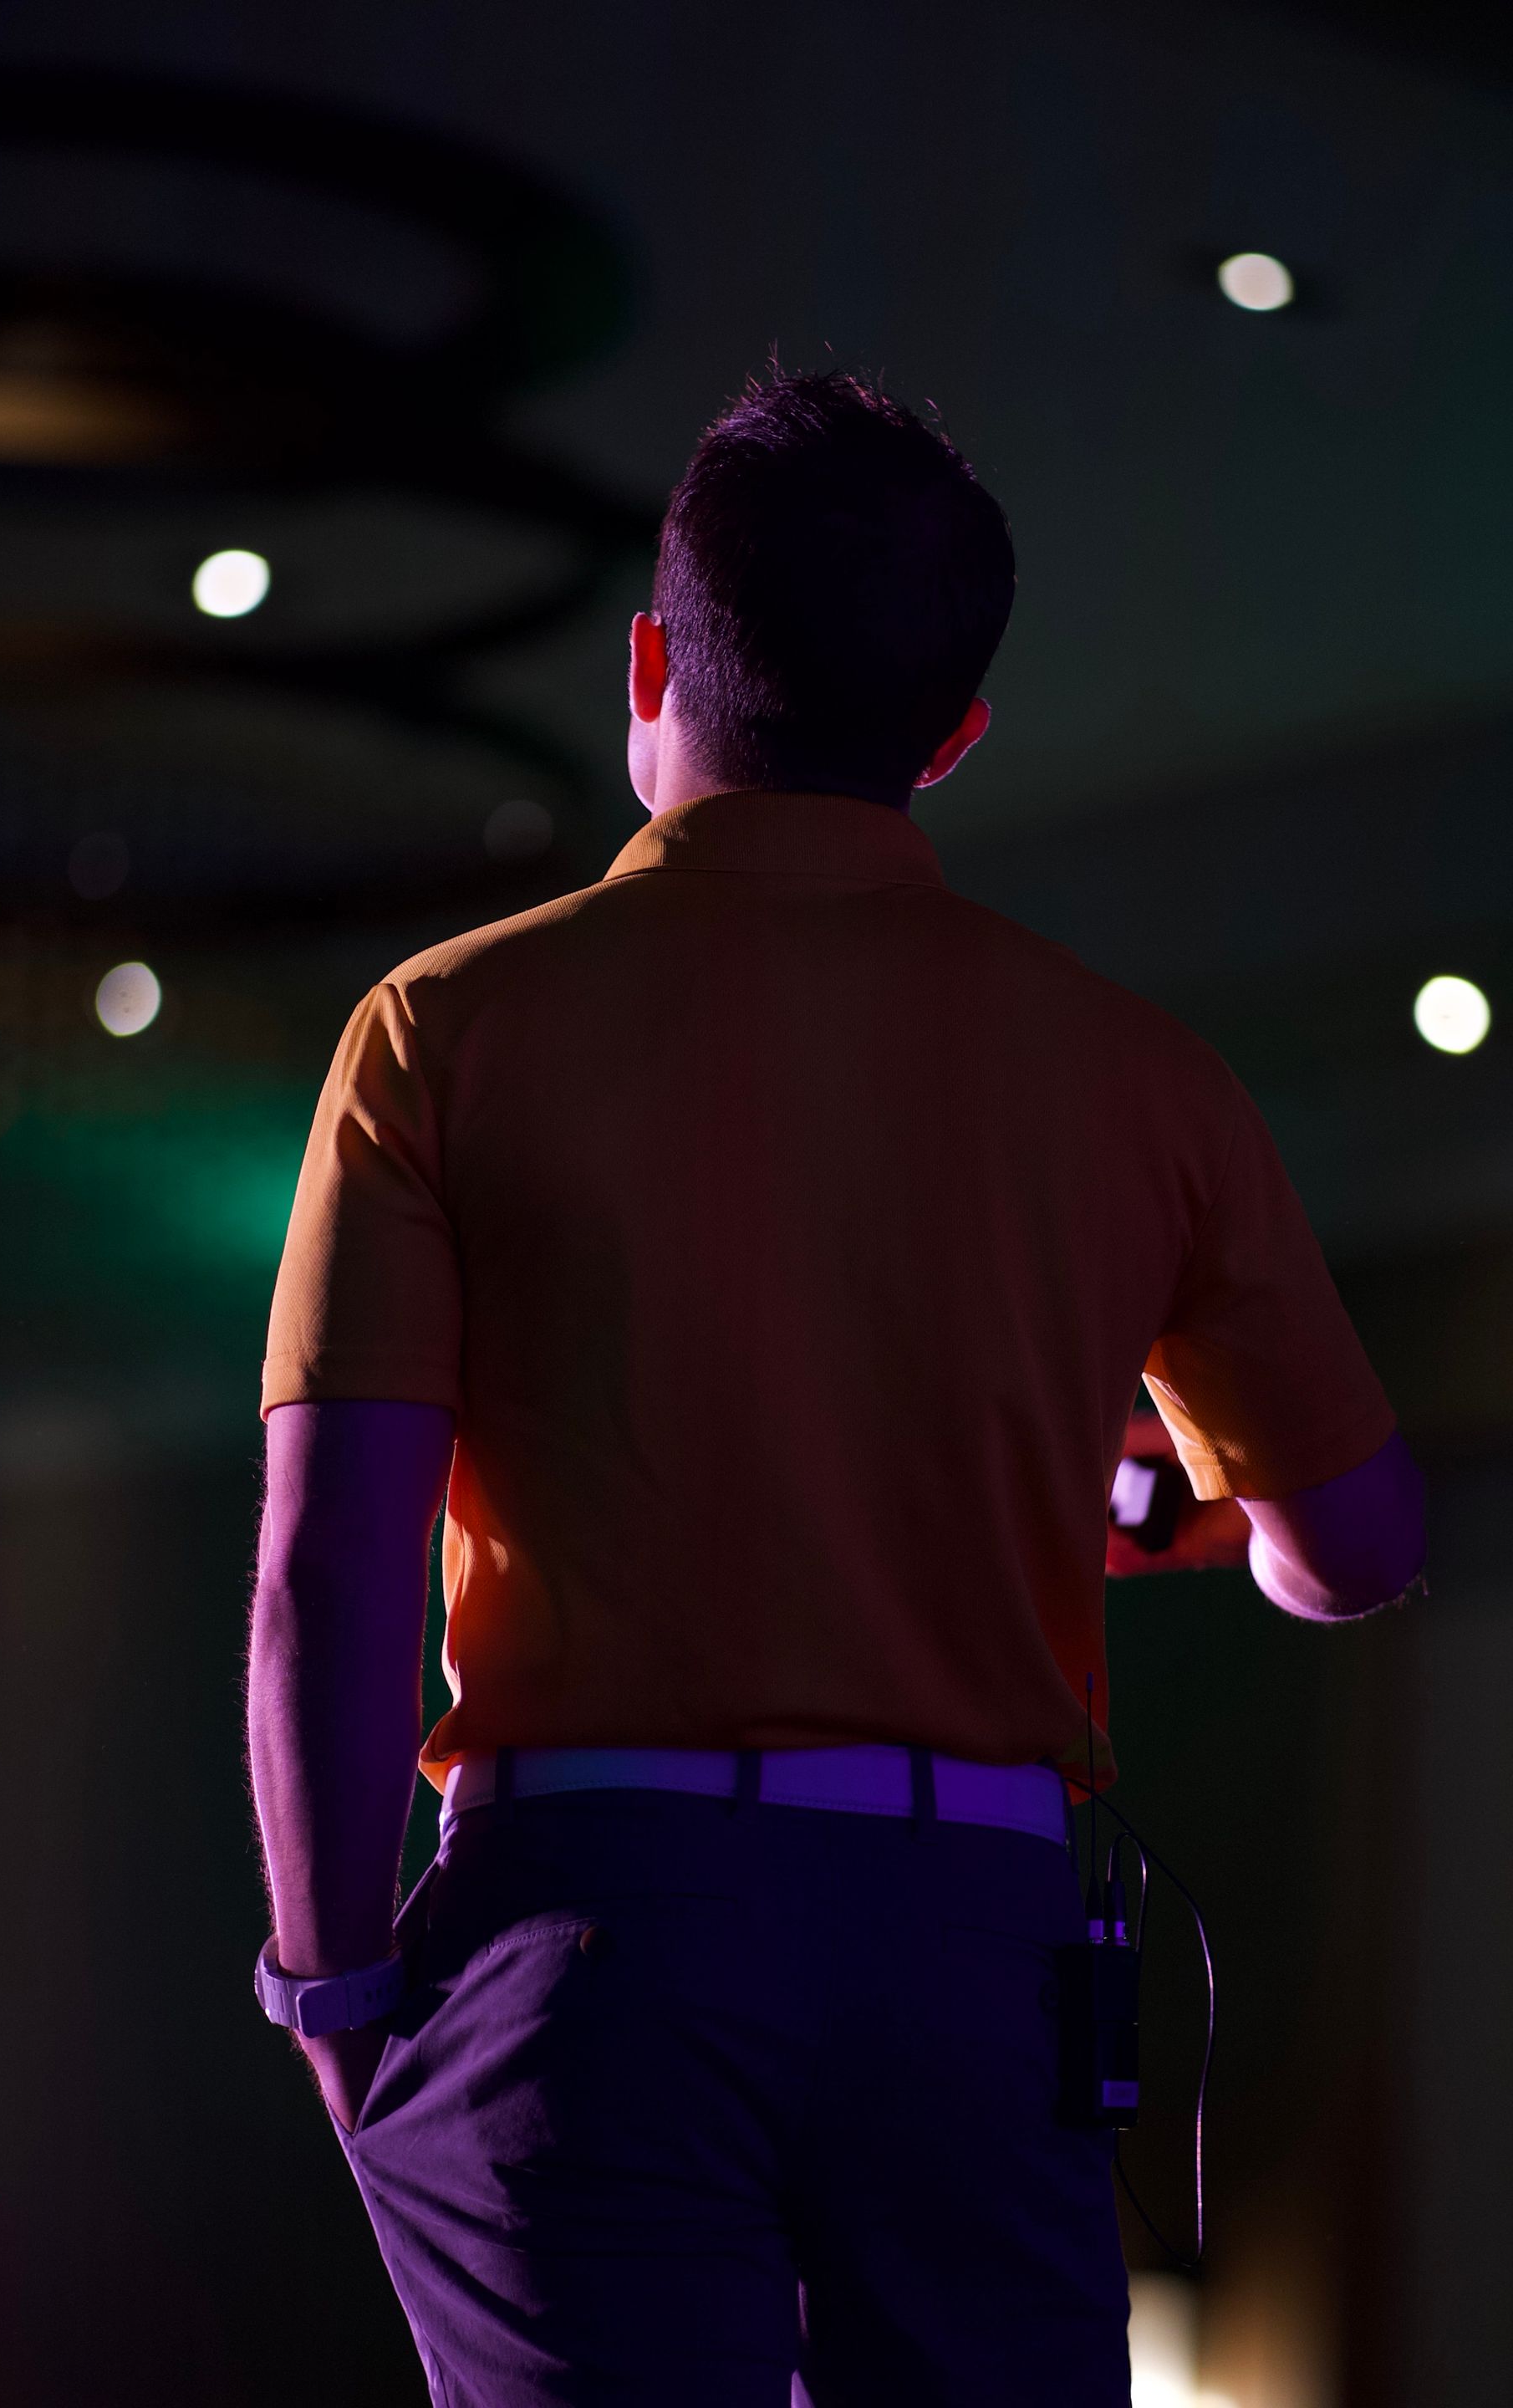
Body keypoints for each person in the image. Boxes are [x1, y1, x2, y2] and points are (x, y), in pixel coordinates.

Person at [247, 372, 1426, 2408]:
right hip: (977, 1953)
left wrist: (341, 1990)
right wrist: (1185, 1504)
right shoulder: (1141, 1079)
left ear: (649, 660)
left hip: (582, 1943)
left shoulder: (441, 1031)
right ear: (953, 734)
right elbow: (1363, 1552)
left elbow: (331, 1582)